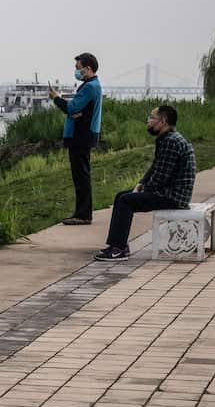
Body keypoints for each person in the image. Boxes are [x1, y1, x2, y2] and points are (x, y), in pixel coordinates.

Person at [95, 105, 196, 261]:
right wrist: (141, 184)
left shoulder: (171, 142)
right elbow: (155, 167)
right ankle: (119, 245)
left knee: (126, 200)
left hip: (174, 197)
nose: (148, 121)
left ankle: (118, 249)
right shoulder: (167, 138)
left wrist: (145, 190)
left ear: (162, 121)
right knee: (122, 196)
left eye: (151, 117)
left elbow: (161, 176)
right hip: (169, 192)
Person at [49, 52, 103, 225]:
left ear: (87, 69)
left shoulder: (89, 87)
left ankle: (83, 215)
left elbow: (72, 108)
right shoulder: (93, 85)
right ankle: (82, 213)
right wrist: (76, 112)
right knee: (81, 175)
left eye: (78, 68)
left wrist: (56, 98)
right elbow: (76, 110)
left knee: (81, 176)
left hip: (81, 136)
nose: (76, 72)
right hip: (85, 135)